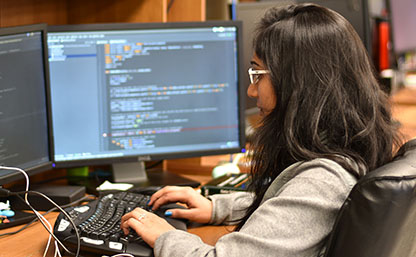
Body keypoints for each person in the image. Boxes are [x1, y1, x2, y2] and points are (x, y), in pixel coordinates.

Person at [121, 3, 403, 257]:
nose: (250, 90)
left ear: (298, 84)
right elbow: (294, 209)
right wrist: (217, 207)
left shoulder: (323, 180)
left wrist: (164, 236)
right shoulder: (347, 143)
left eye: (258, 74)